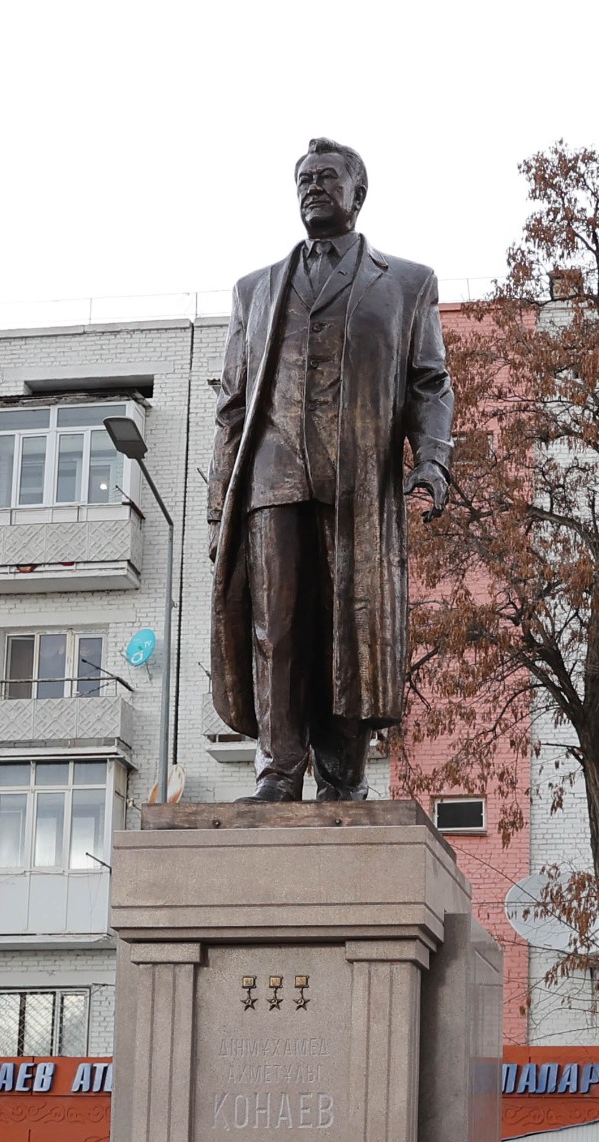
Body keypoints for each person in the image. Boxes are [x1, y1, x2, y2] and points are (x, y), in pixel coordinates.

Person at [208, 137, 453, 802]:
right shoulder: (254, 290)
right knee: (276, 629)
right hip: (271, 478)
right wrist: (216, 503)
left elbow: (429, 383)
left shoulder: (406, 282)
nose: (313, 188)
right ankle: (278, 771)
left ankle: (342, 777)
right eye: (304, 180)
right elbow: (232, 404)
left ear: (357, 192)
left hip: (357, 482)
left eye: (326, 178)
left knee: (349, 626)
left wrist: (431, 460)